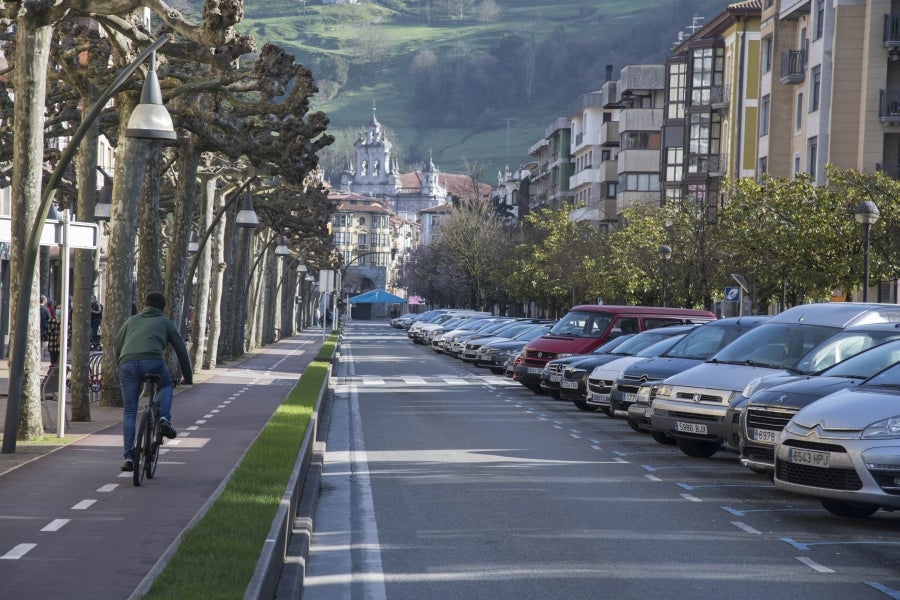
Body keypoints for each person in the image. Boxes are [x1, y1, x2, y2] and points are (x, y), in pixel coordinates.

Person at [115, 291, 193, 472]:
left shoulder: (131, 321)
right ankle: (164, 417)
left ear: (145, 304)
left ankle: (128, 458)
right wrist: (188, 377)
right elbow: (181, 350)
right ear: (163, 307)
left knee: (129, 411)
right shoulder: (165, 322)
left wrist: (122, 364)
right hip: (152, 361)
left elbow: (117, 345)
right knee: (166, 385)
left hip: (127, 363)